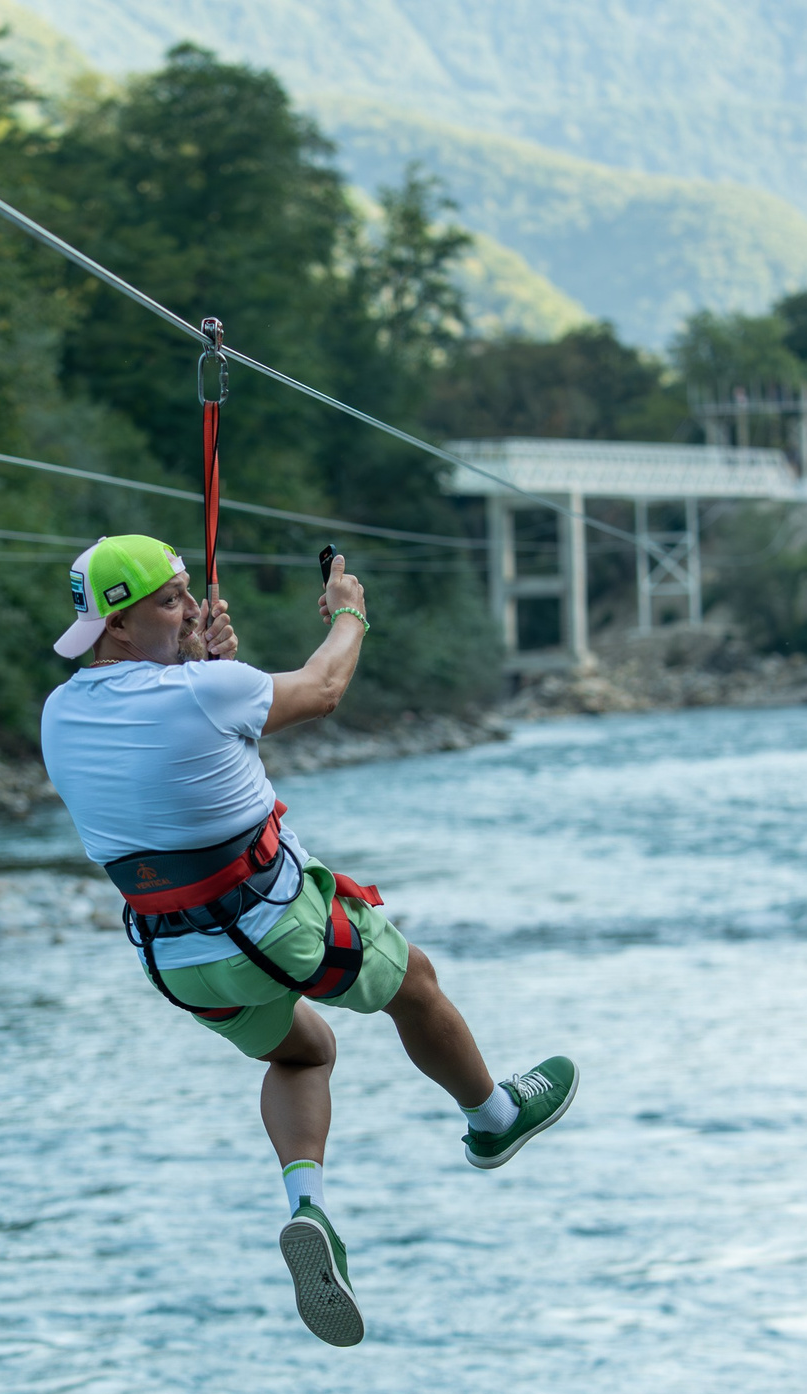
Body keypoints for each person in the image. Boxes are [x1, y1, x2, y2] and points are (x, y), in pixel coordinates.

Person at [39, 534, 578, 1347]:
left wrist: (193, 659)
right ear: (116, 625)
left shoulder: (64, 711)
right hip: (273, 923)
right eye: (171, 600)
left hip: (176, 959)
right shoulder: (204, 692)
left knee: (303, 1052)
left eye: (187, 593)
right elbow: (323, 688)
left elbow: (177, 728)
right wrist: (347, 611)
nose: (191, 607)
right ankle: (494, 1116)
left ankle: (307, 1205)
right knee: (416, 984)